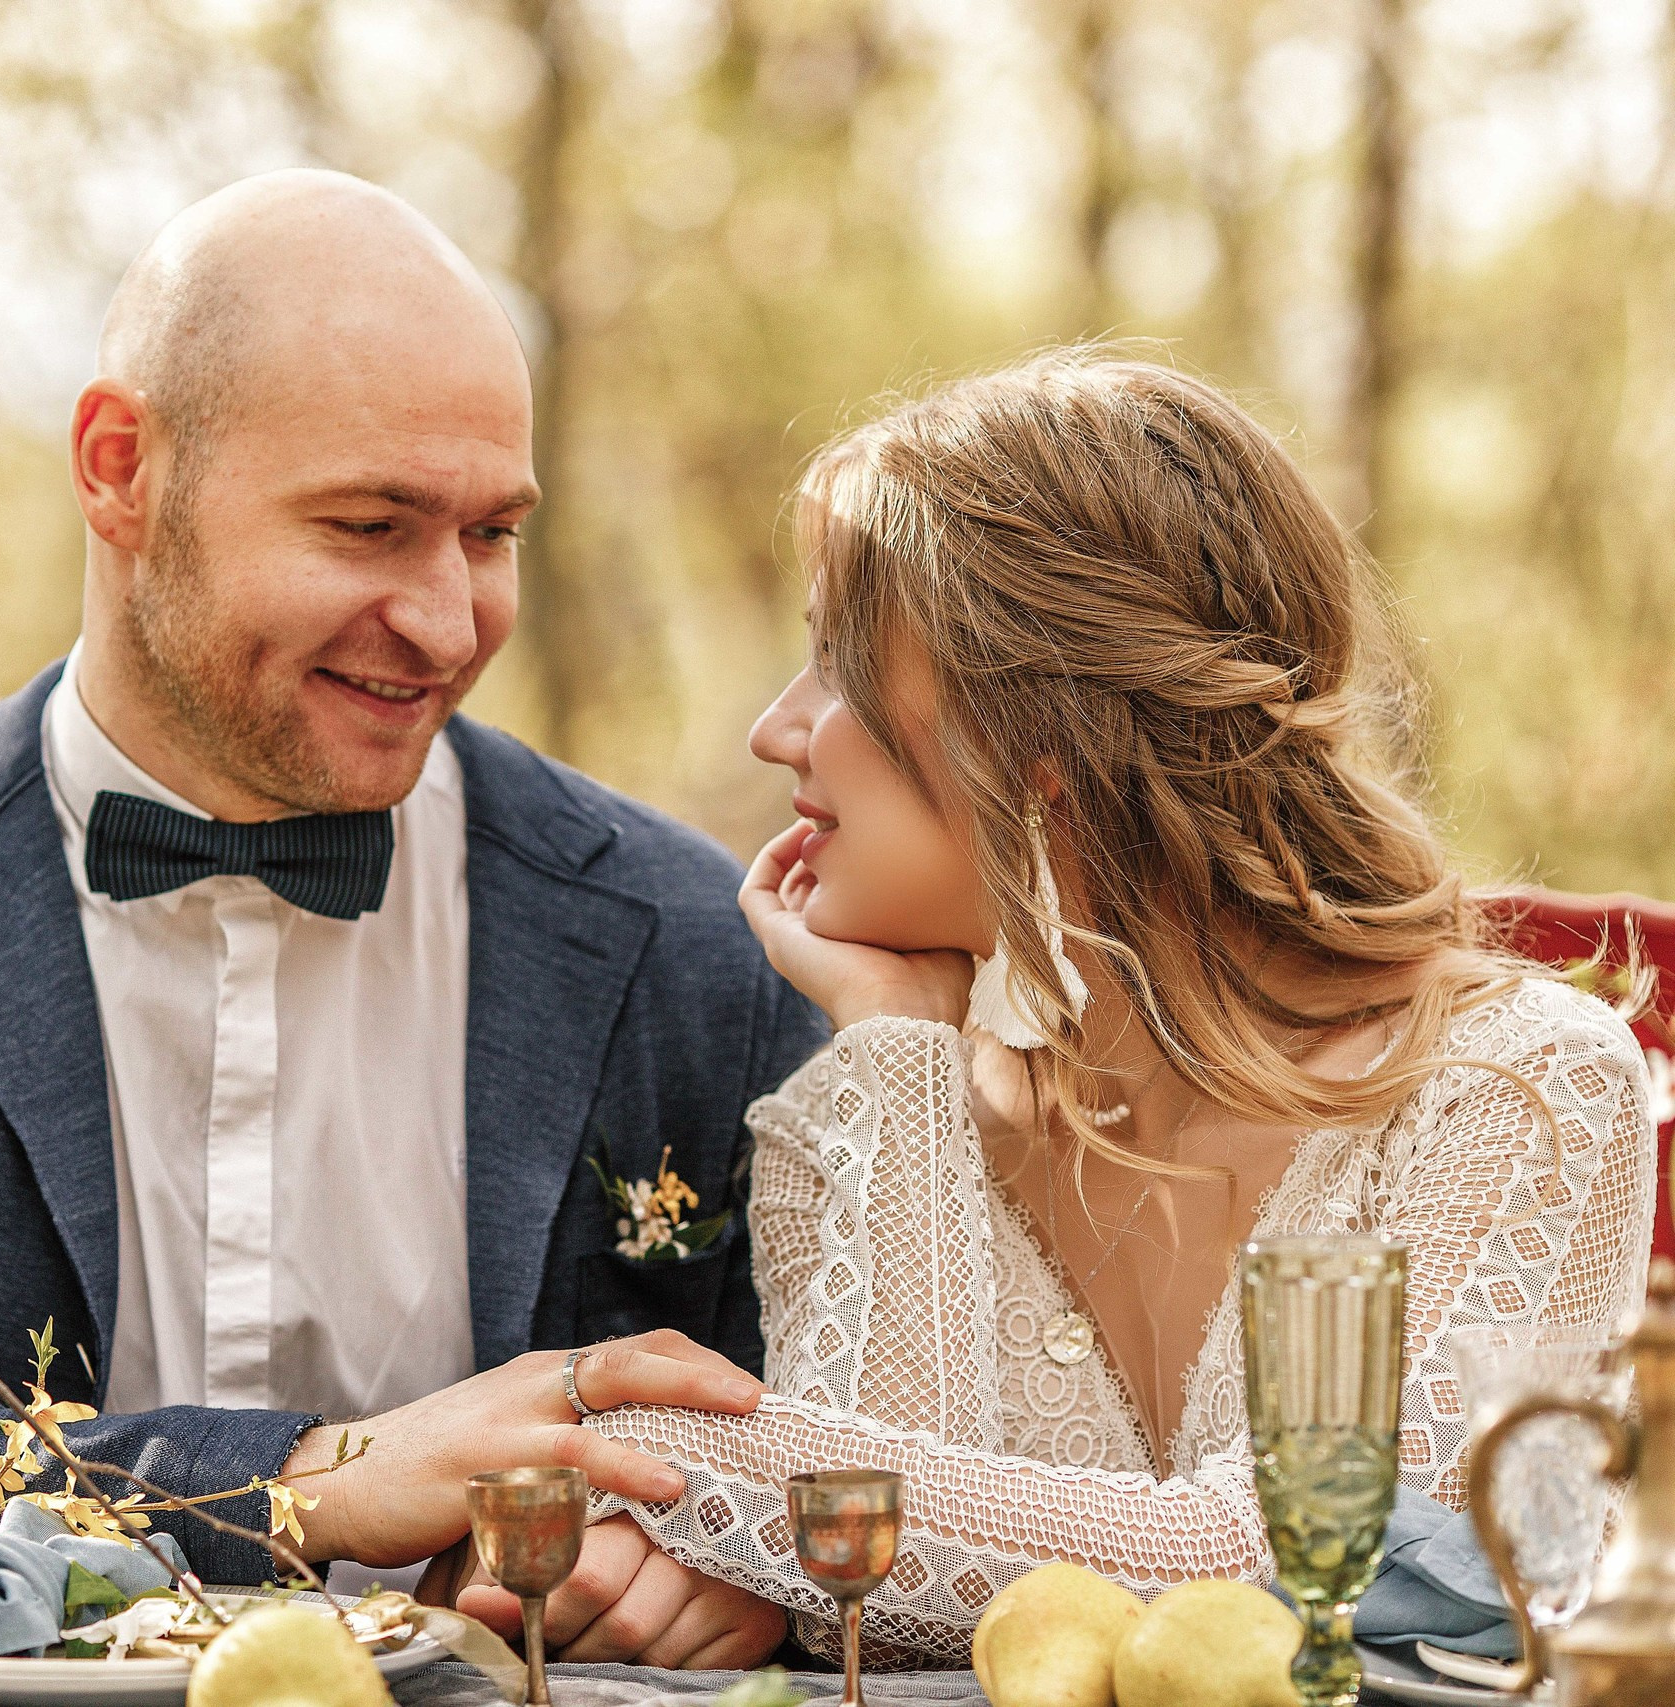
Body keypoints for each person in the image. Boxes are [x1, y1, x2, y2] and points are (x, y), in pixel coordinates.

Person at [0, 168, 820, 1668]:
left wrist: (731, 1560)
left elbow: (834, 1446)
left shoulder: (687, 938)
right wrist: (305, 1485)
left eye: (491, 534)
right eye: (372, 525)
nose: (450, 622)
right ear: (122, 469)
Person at [575, 352, 1655, 1663]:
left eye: (834, 665)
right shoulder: (854, 1117)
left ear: (1042, 734)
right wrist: (898, 1053)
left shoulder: (1520, 1087)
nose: (775, 729)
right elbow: (870, 1620)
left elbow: (1292, 1564)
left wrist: (609, 1433)